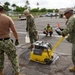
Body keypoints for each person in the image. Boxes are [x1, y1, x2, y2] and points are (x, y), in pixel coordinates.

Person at [0, 4, 25, 75]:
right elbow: (14, 31)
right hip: (6, 41)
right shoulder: (7, 18)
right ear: (3, 10)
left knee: (0, 58)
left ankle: (1, 72)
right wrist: (17, 39)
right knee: (13, 57)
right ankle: (16, 73)